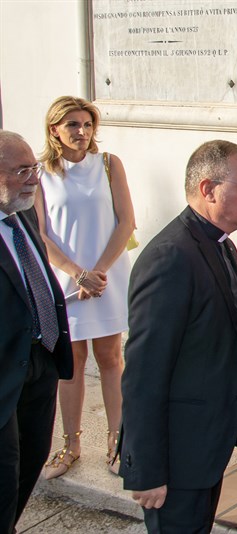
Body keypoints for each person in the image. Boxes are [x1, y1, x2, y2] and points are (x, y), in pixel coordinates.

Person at [119, 140, 237, 533]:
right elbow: (143, 372)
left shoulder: (222, 246)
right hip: (177, 456)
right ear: (208, 189)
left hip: (205, 447)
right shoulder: (170, 258)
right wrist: (146, 469)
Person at [33, 96, 134, 479]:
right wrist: (78, 275)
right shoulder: (42, 173)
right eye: (73, 124)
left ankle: (117, 442)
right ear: (54, 129)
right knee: (70, 364)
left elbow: (126, 222)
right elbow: (40, 234)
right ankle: (70, 445)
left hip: (106, 279)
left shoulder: (108, 165)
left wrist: (99, 272)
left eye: (87, 124)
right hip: (66, 283)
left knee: (110, 358)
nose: (82, 131)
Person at [0, 130, 73, 532]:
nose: (33, 179)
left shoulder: (23, 211)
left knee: (30, 460)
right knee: (5, 473)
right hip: (4, 371)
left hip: (40, 360)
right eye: (21, 171)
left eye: (35, 168)